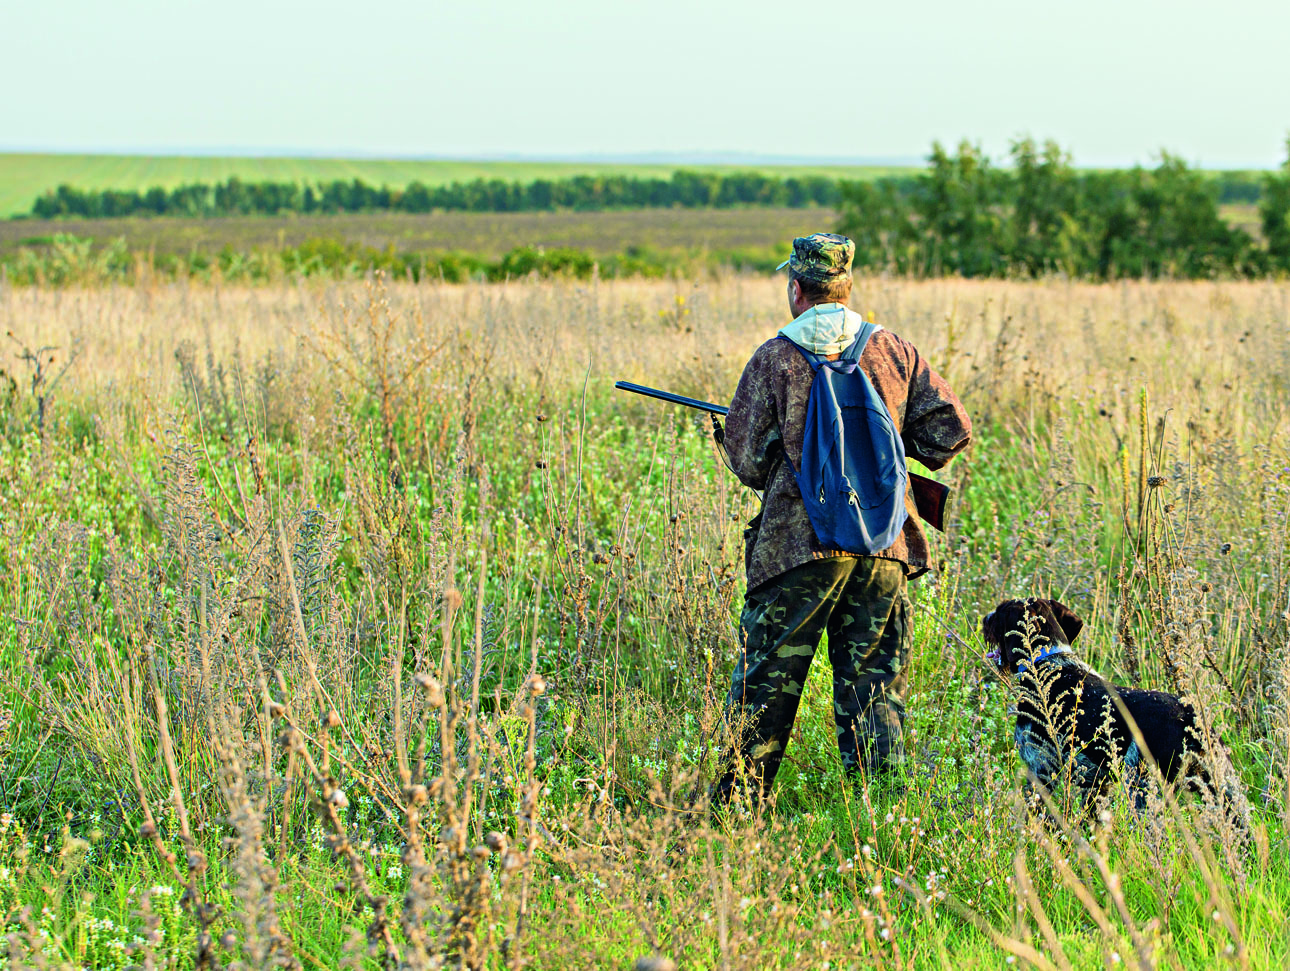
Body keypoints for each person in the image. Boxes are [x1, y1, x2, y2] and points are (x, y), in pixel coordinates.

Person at [714, 232, 971, 803]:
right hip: (885, 547)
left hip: (797, 552)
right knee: (876, 693)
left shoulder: (775, 357)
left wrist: (730, 436)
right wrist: (882, 451)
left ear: (796, 288)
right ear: (847, 288)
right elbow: (951, 430)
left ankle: (733, 818)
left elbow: (750, 461)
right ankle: (883, 816)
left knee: (766, 694)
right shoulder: (894, 351)